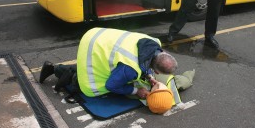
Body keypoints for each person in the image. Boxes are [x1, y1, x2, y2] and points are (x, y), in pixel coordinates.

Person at [40, 27, 178, 100]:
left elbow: (146, 59)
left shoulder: (153, 43)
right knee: (86, 82)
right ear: (158, 71)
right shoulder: (131, 68)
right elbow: (111, 85)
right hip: (94, 45)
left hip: (97, 35)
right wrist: (137, 91)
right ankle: (57, 71)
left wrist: (149, 76)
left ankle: (54, 68)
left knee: (90, 67)